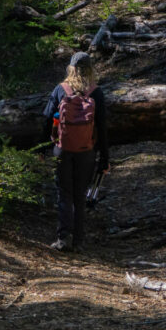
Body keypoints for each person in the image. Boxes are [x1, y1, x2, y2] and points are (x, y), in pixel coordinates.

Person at [43, 51, 110, 252]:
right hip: (86, 151)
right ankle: (79, 242)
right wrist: (104, 158)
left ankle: (63, 238)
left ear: (71, 68)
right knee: (80, 195)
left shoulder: (60, 89)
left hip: (62, 150)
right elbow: (103, 127)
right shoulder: (96, 93)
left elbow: (47, 118)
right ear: (90, 69)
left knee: (64, 193)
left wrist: (43, 147)